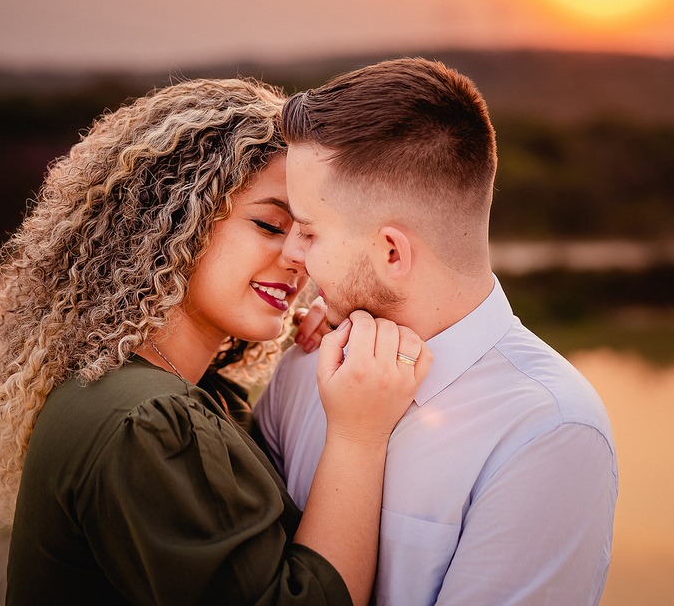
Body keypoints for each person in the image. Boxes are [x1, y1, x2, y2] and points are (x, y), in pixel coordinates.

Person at [0, 78, 432, 606]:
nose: (300, 256)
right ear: (176, 220)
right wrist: (358, 434)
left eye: (310, 232)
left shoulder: (158, 392)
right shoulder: (147, 425)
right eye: (271, 224)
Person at [255, 59, 618, 606]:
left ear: (391, 252)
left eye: (308, 232)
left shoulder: (550, 431)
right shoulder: (307, 365)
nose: (291, 253)